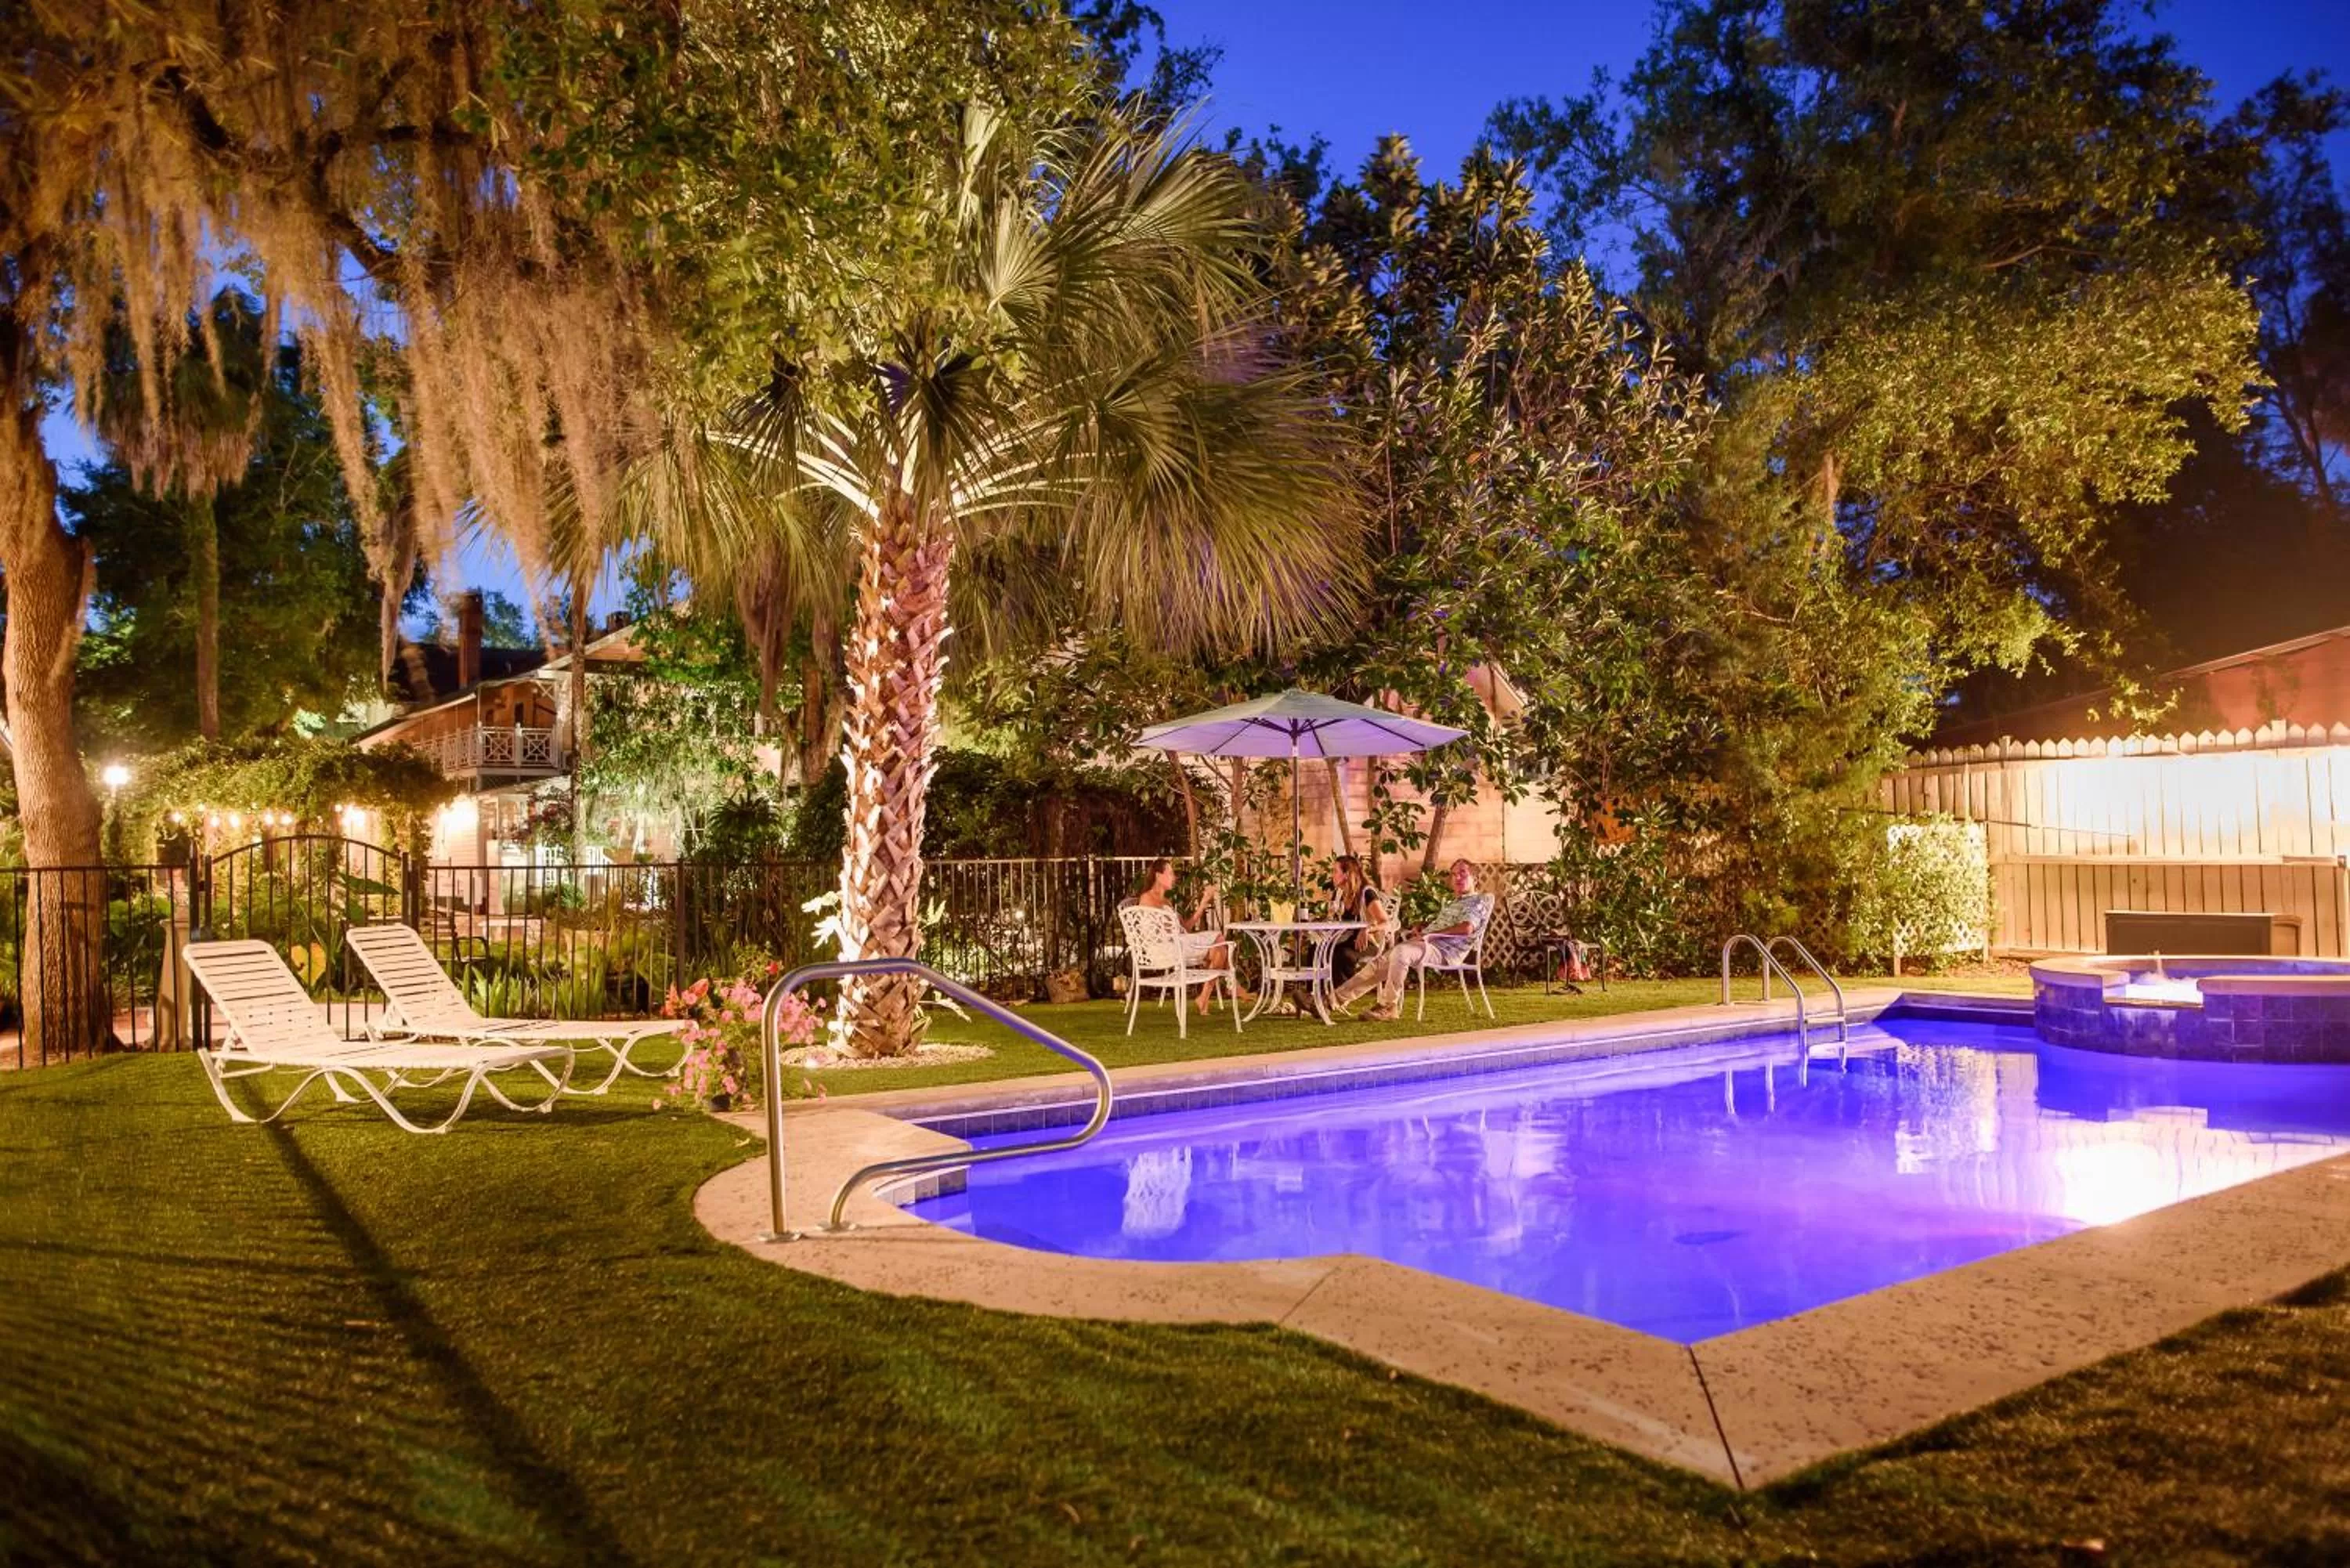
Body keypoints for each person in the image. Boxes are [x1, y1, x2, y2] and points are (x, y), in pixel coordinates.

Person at [1332, 858, 1491, 1021]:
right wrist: (1424, 928)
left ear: (1475, 878)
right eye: (1454, 874)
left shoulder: (1478, 901)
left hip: (1444, 951)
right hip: (1427, 943)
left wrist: (1430, 935)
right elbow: (1446, 925)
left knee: (1401, 952)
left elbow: (1466, 928)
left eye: (1463, 874)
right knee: (1377, 965)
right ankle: (1331, 1001)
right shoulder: (1454, 902)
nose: (1457, 878)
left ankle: (1388, 1007)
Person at [1132, 858, 1233, 1013]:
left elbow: (1184, 927)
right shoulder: (1147, 898)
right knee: (1219, 942)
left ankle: (1205, 998)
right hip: (1165, 949)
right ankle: (1228, 988)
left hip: (1178, 944)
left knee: (1218, 948)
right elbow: (1162, 930)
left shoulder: (1167, 901)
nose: (1174, 877)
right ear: (1159, 876)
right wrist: (1173, 923)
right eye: (1171, 873)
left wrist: (1203, 903)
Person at [1326, 855, 1391, 990]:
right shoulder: (1339, 893)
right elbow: (1334, 918)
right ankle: (1313, 995)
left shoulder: (1366, 893)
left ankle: (1340, 995)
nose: (1332, 875)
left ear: (1347, 874)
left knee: (1342, 954)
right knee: (1315, 950)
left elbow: (1385, 922)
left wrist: (1368, 929)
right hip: (1345, 940)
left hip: (1367, 943)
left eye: (1335, 871)